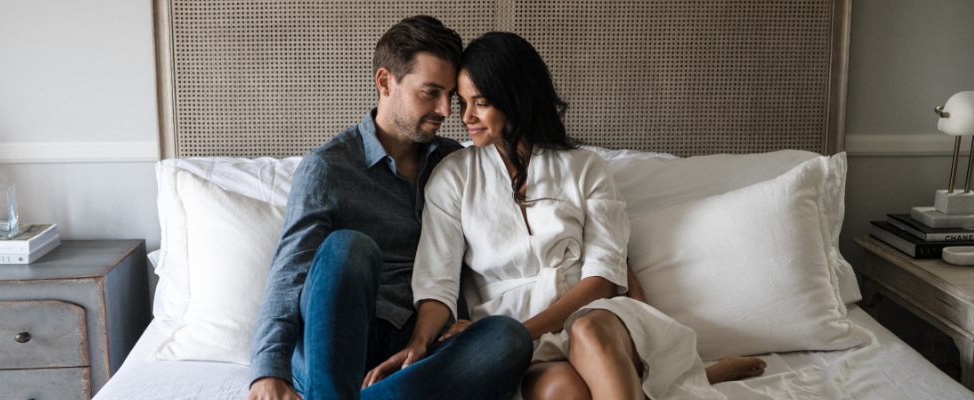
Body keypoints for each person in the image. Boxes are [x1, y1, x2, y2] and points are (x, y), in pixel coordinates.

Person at [406, 32, 767, 400]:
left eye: (479, 102)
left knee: (589, 331)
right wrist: (423, 344)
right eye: (462, 102)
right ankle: (686, 381)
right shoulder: (453, 176)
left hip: (592, 314)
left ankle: (680, 376)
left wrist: (521, 331)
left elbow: (603, 278)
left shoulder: (584, 168)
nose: (465, 116)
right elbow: (438, 281)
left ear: (515, 97)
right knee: (565, 390)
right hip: (510, 330)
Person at [247, 18, 533, 400]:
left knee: (509, 336)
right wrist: (267, 371)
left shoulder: (459, 163)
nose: (447, 110)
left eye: (452, 95)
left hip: (425, 346)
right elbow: (290, 272)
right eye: (430, 92)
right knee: (350, 247)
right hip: (343, 342)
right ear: (385, 82)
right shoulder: (329, 167)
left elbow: (516, 235)